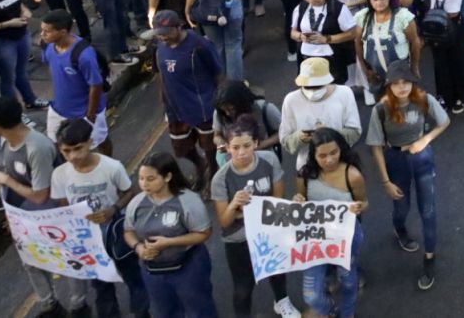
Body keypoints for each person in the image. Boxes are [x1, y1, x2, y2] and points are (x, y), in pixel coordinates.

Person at [0, 96, 85, 316]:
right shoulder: (6, 142)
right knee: (32, 262)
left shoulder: (36, 148)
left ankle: (79, 305)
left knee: (67, 261)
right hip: (26, 218)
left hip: (52, 216)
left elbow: (40, 195)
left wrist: (6, 181)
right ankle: (50, 305)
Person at [365, 59, 449, 290]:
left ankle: (429, 257)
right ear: (389, 86)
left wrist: (425, 139)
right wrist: (384, 181)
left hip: (422, 158)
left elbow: (444, 121)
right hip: (396, 159)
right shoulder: (381, 109)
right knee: (401, 207)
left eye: (406, 82)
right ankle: (399, 229)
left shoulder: (423, 100)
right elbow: (375, 147)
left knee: (428, 210)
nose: (402, 87)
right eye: (396, 83)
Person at [52, 118, 147, 318]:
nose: (73, 156)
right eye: (66, 151)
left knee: (132, 275)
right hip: (88, 240)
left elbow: (129, 192)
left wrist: (113, 209)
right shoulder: (60, 175)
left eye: (78, 148)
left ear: (90, 142)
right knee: (100, 284)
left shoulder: (111, 167)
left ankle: (141, 311)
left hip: (115, 233)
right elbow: (63, 205)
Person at [209, 115, 298, 318]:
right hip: (238, 239)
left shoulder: (269, 160)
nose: (241, 153)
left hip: (268, 229)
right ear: (227, 148)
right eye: (236, 147)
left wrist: (246, 212)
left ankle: (282, 301)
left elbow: (278, 198)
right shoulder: (220, 179)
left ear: (256, 143)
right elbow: (224, 221)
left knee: (276, 270)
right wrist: (234, 205)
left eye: (247, 146)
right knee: (243, 286)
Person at [123, 151, 217, 318]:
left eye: (150, 179)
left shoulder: (188, 201)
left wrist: (169, 242)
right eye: (141, 178)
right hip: (153, 271)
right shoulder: (137, 203)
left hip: (188, 267)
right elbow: (128, 231)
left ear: (167, 177)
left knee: (199, 309)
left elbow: (203, 233)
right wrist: (138, 248)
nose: (144, 184)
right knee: (164, 312)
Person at [295, 129, 367, 318]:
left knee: (348, 282)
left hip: (346, 238)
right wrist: (298, 201)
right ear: (313, 155)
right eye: (322, 155)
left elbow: (364, 202)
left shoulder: (352, 175)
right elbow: (300, 201)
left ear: (341, 149)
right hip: (316, 240)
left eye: (334, 153)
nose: (329, 160)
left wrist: (359, 207)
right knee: (311, 295)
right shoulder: (305, 175)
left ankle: (347, 314)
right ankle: (330, 310)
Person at [152, 10, 222, 190]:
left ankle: (213, 175)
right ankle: (200, 166)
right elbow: (161, 73)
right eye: (159, 34)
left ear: (179, 27)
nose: (163, 38)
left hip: (202, 105)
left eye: (167, 34)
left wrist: (221, 99)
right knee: (181, 148)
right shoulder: (159, 46)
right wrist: (163, 97)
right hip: (175, 108)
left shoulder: (199, 44)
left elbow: (218, 73)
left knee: (209, 147)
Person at [39, 10, 109, 151]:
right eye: (42, 30)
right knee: (56, 142)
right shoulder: (46, 45)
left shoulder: (84, 55)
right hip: (59, 108)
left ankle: (110, 166)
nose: (42, 35)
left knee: (98, 141)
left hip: (84, 112)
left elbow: (95, 85)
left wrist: (90, 115)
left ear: (63, 32)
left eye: (47, 31)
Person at [279, 58, 361, 169]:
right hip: (308, 165)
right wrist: (300, 137)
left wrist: (329, 134)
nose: (312, 91)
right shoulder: (291, 100)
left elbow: (355, 132)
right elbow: (285, 140)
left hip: (340, 162)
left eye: (317, 86)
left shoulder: (344, 93)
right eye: (308, 87)